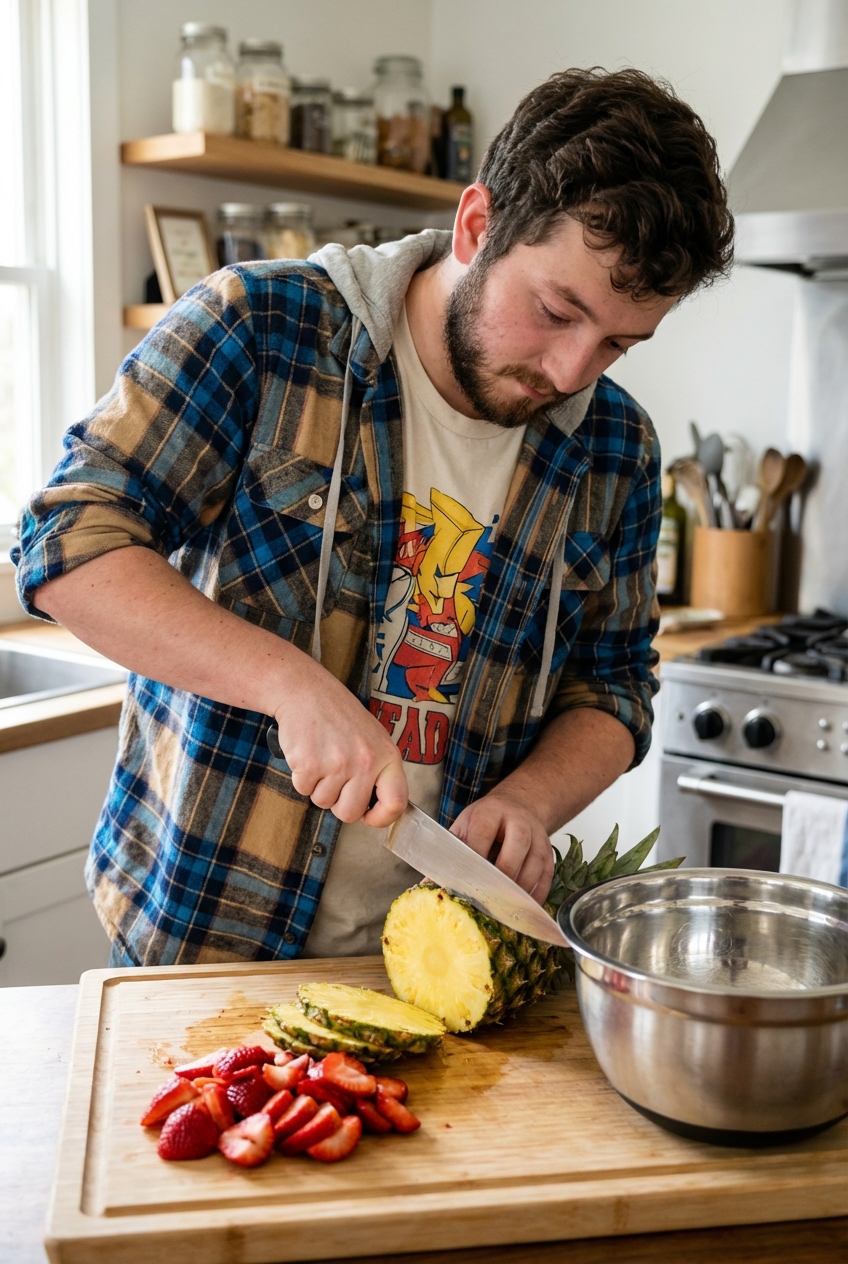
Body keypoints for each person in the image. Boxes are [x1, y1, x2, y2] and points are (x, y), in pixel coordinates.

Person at [13, 68, 733, 966]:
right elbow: (68, 539)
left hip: (439, 963)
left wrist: (534, 799)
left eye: (619, 343)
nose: (571, 372)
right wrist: (290, 684)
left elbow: (615, 684)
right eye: (555, 311)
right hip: (204, 942)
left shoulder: (618, 449)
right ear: (478, 224)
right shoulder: (262, 328)